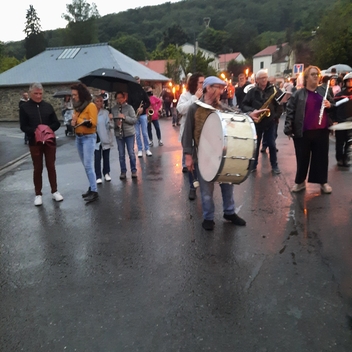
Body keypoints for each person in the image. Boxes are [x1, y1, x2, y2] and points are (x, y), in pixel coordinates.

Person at [182, 76, 248, 231]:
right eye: (217, 87)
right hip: (203, 155)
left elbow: (237, 118)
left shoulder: (223, 107)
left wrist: (249, 117)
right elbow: (187, 133)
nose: (220, 91)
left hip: (222, 153)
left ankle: (229, 212)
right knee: (206, 191)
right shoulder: (195, 108)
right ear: (208, 88)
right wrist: (188, 156)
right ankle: (208, 217)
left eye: (221, 88)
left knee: (227, 184)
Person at [284, 65, 334, 194]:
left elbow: (333, 106)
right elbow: (290, 110)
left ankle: (323, 182)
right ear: (306, 78)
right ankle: (300, 182)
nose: (316, 77)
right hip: (303, 131)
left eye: (317, 74)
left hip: (321, 130)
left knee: (321, 158)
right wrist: (288, 128)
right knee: (302, 158)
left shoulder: (324, 91)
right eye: (312, 74)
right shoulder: (298, 93)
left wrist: (330, 105)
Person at [19, 82, 63, 206]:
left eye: (40, 94)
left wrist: (47, 130)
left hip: (49, 142)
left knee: (51, 166)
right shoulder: (24, 108)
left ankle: (55, 191)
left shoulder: (47, 106)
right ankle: (38, 194)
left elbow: (56, 123)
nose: (38, 96)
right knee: (38, 168)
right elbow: (23, 126)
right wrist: (35, 132)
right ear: (31, 93)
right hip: (35, 142)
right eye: (36, 94)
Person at [242, 69, 282, 174]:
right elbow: (243, 105)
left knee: (272, 145)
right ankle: (253, 166)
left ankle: (274, 166)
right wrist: (252, 111)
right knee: (255, 145)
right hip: (257, 122)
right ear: (257, 80)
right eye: (261, 78)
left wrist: (276, 116)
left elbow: (281, 103)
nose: (264, 80)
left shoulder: (274, 89)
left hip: (270, 121)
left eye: (265, 77)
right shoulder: (252, 91)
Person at [177, 72, 204, 200]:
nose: (203, 85)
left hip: (202, 134)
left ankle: (203, 185)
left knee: (203, 161)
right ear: (194, 83)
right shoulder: (185, 95)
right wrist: (195, 99)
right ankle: (192, 187)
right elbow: (180, 109)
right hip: (188, 134)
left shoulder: (205, 95)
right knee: (190, 162)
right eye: (201, 83)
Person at [71, 83, 99, 203]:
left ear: (81, 94)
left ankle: (94, 191)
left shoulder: (91, 106)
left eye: (75, 95)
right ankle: (91, 187)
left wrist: (79, 120)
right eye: (72, 95)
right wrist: (73, 123)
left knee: (88, 165)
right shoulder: (76, 107)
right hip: (79, 138)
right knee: (86, 166)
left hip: (88, 137)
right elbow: (76, 122)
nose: (73, 97)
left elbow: (93, 123)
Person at [111, 91, 138, 179]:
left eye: (120, 98)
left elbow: (134, 120)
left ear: (124, 98)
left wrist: (124, 117)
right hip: (119, 134)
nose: (119, 100)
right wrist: (116, 123)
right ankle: (123, 171)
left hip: (129, 133)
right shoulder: (114, 109)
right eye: (117, 98)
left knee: (131, 153)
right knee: (121, 154)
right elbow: (111, 124)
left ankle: (134, 170)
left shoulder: (129, 108)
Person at [127, 76, 152, 157]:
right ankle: (140, 150)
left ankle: (147, 149)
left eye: (139, 81)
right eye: (136, 81)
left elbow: (148, 102)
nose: (138, 83)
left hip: (143, 114)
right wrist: (135, 110)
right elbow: (129, 104)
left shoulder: (142, 91)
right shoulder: (131, 92)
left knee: (145, 133)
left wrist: (143, 108)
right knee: (137, 134)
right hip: (135, 115)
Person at [93, 95, 114, 183]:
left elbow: (111, 126)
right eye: (97, 101)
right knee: (97, 157)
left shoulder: (105, 112)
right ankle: (98, 175)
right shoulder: (91, 112)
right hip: (95, 139)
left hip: (105, 137)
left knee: (106, 156)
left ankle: (106, 173)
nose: (99, 103)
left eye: (101, 101)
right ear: (94, 102)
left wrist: (111, 120)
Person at [333, 72, 352, 167]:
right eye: (349, 81)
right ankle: (339, 158)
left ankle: (346, 159)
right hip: (341, 122)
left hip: (350, 122)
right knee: (340, 142)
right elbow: (334, 108)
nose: (350, 82)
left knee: (349, 142)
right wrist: (334, 120)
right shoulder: (339, 95)